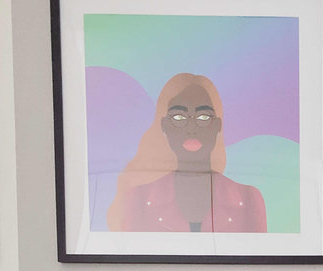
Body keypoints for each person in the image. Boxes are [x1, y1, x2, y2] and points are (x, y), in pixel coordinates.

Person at [107, 73, 267, 233]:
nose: (191, 128)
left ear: (218, 125)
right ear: (164, 125)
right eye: (178, 117)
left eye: (203, 117)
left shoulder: (248, 199)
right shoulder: (139, 198)